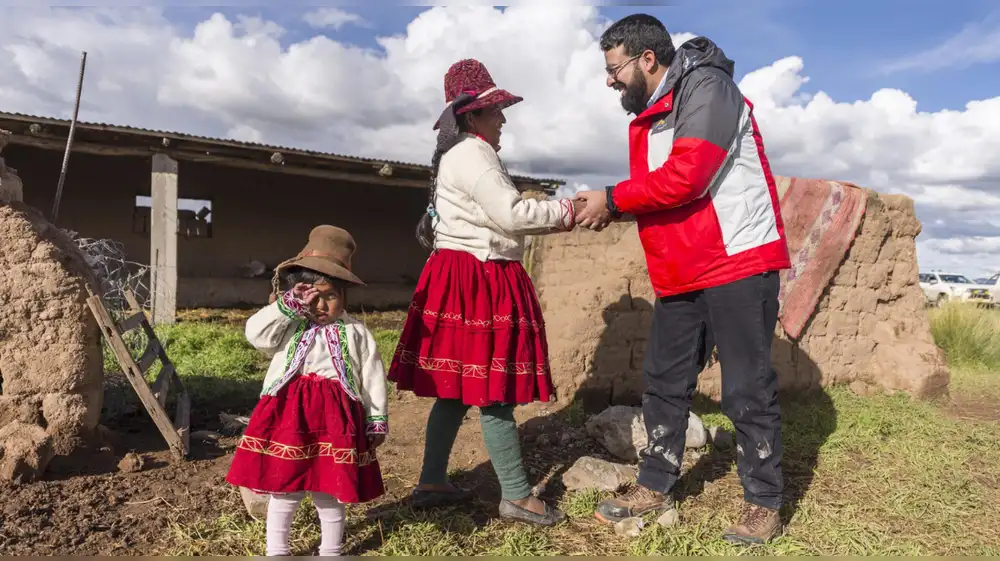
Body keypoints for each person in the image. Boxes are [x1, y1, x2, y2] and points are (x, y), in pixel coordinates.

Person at [573, 14, 792, 545]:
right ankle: (654, 483)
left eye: (614, 68)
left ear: (647, 59)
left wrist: (614, 198)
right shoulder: (653, 113)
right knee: (664, 380)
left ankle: (764, 502)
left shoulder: (709, 88)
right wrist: (616, 205)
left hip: (736, 261)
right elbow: (658, 189)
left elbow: (688, 176)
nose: (609, 80)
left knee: (746, 387)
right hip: (683, 268)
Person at [388, 58, 582, 527]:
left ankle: (433, 479)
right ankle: (516, 495)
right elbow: (512, 215)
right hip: (480, 278)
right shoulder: (474, 154)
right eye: (494, 112)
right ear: (472, 117)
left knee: (455, 389)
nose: (503, 120)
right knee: (493, 391)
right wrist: (569, 210)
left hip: (458, 276)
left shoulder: (455, 157)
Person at [226, 225, 388, 556]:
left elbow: (372, 375)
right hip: (289, 417)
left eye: (330, 296)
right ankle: (277, 551)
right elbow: (256, 336)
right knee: (284, 488)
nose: (321, 305)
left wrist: (376, 420)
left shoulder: (356, 332)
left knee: (330, 490)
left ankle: (331, 550)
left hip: (336, 422)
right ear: (298, 294)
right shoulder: (289, 324)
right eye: (312, 296)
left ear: (344, 295)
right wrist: (286, 307)